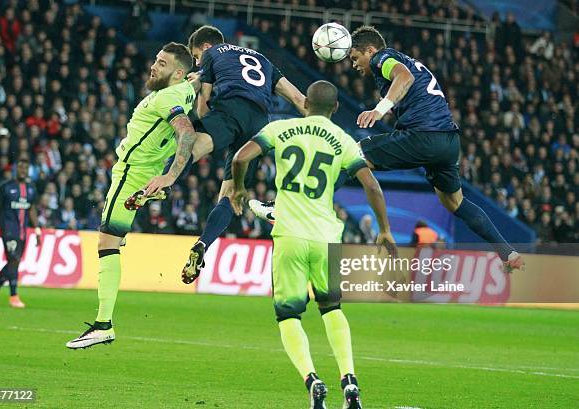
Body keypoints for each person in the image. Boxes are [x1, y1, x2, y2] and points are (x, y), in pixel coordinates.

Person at [252, 26, 524, 273]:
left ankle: (286, 210)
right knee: (454, 202)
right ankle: (507, 252)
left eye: (355, 58)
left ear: (370, 50)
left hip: (422, 135)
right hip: (448, 141)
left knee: (351, 154)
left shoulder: (383, 58)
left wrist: (380, 109)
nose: (355, 65)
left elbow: (402, 77)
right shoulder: (408, 61)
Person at [230, 81, 396, 409]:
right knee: (332, 308)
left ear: (304, 103)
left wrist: (238, 189)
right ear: (335, 108)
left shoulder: (281, 127)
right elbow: (372, 186)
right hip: (325, 237)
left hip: (289, 234)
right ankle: (350, 382)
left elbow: (240, 158)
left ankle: (312, 380)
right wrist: (385, 229)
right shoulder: (345, 142)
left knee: (288, 316)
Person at [140, 25, 307, 285]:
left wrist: (205, 120)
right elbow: (298, 98)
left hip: (231, 110)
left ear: (204, 47)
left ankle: (164, 182)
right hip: (260, 123)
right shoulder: (264, 61)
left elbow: (205, 104)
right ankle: (203, 243)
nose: (197, 62)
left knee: (191, 148)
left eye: (195, 57)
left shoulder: (212, 54)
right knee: (231, 196)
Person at [65, 42, 197, 349]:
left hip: (131, 172)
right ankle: (148, 195)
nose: (154, 65)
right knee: (113, 239)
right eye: (156, 59)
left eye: (162, 63)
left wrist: (169, 176)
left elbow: (186, 132)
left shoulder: (166, 98)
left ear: (177, 72)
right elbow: (197, 80)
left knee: (107, 242)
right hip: (144, 170)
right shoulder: (184, 89)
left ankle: (103, 324)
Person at [0, 157, 41, 308]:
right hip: (8, 230)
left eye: (25, 168)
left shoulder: (31, 188)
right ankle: (14, 296)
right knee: (13, 260)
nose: (22, 170)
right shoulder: (6, 187)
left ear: (28, 171)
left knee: (15, 262)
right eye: (20, 168)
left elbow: (31, 209)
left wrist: (37, 229)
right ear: (15, 169)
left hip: (22, 231)